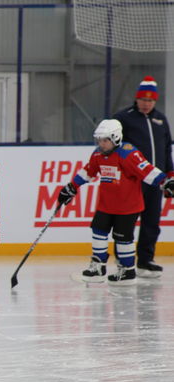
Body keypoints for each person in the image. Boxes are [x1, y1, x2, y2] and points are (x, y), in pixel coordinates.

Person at [58, 119, 173, 285]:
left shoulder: (128, 154)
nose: (101, 144)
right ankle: (98, 268)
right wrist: (71, 186)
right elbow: (88, 171)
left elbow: (147, 170)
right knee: (98, 231)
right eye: (99, 140)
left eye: (105, 141)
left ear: (116, 138)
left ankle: (127, 271)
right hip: (106, 205)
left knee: (123, 238)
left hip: (128, 207)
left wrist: (166, 182)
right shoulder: (98, 154)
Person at [113, 76, 174, 278]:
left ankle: (146, 260)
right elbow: (113, 147)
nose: (146, 104)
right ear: (136, 99)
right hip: (133, 181)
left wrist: (169, 176)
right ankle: (123, 259)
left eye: (150, 101)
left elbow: (167, 149)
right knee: (127, 221)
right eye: (142, 100)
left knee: (151, 221)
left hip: (156, 181)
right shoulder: (124, 118)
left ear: (155, 101)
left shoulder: (160, 120)